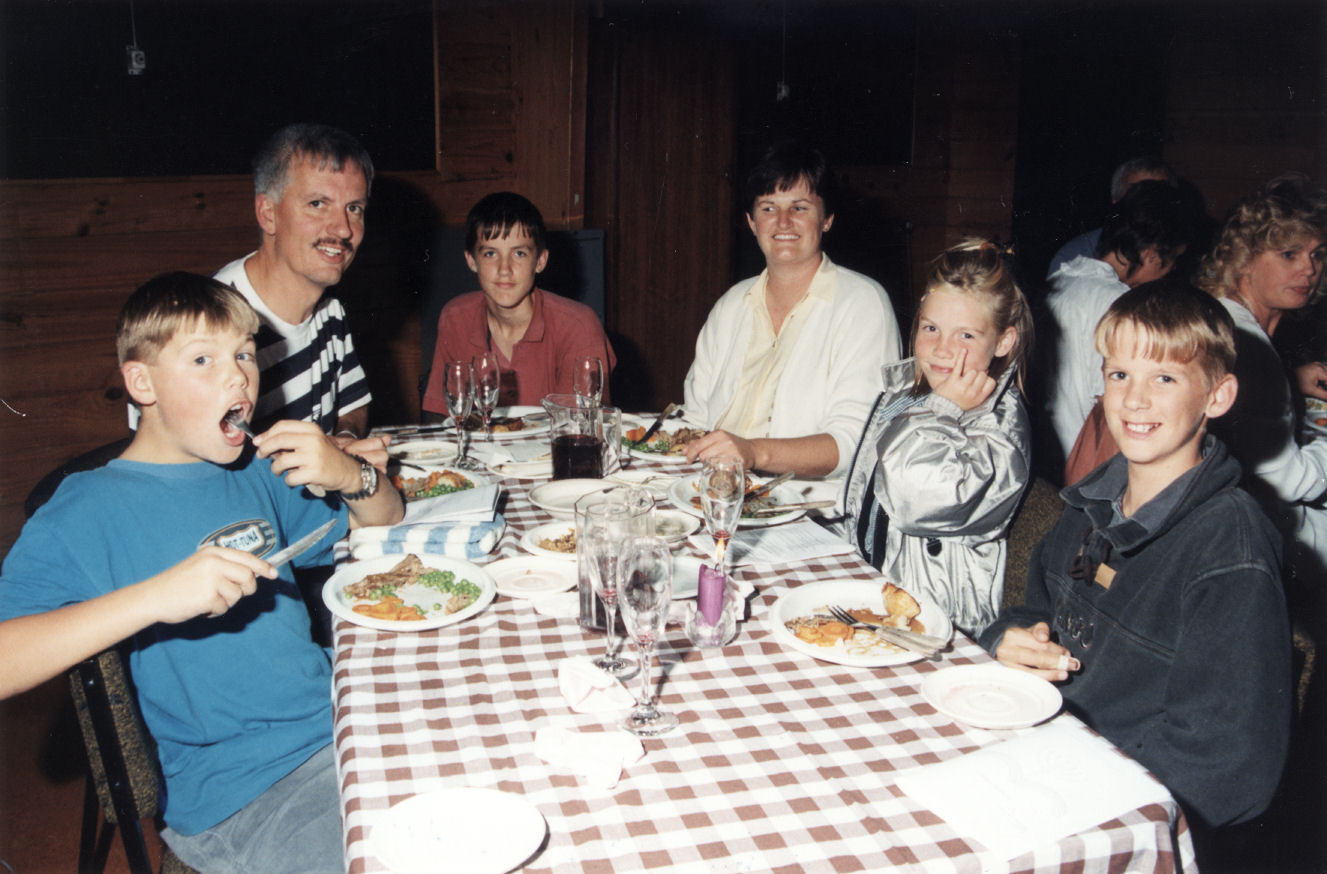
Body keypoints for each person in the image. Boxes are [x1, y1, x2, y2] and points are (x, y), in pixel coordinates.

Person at [0, 273, 405, 873]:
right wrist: (154, 598)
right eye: (202, 359)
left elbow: (385, 522)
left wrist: (352, 476)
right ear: (142, 383)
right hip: (245, 792)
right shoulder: (87, 509)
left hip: (344, 726)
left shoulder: (255, 470)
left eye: (244, 354)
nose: (238, 377)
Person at [979, 283, 1289, 829]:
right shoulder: (1094, 501)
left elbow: (1226, 768)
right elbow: (1036, 610)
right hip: (1042, 750)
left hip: (1114, 810)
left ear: (1217, 397)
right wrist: (1009, 638)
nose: (1133, 399)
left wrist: (1074, 791)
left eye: (1164, 378)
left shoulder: (1229, 550)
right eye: (1119, 374)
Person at [842, 239, 1033, 635]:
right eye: (931, 328)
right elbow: (869, 498)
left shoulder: (999, 427)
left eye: (966, 336)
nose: (942, 349)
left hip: (939, 621)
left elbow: (915, 500)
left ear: (1003, 342)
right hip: (879, 591)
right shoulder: (907, 395)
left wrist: (941, 410)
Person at [682, 143, 901, 478]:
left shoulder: (863, 304)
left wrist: (753, 452)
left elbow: (857, 443)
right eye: (768, 208)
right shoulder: (731, 305)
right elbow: (695, 418)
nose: (783, 221)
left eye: (799, 207)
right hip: (713, 490)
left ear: (826, 219)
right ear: (752, 222)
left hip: (807, 502)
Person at [214, 122, 382, 454]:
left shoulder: (330, 312)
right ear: (268, 213)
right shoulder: (208, 322)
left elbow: (353, 402)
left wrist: (344, 441)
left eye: (354, 208)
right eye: (318, 204)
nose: (343, 229)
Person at [1196, 171, 1327, 586]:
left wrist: (1290, 378)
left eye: (1318, 254)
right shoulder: (1249, 345)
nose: (1309, 269)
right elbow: (1290, 481)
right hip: (1259, 544)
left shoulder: (1220, 316)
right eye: (1289, 254)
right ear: (1243, 257)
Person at [1041, 180, 1194, 472]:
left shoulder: (1060, 279)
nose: (1173, 269)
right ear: (1152, 255)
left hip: (1045, 458)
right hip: (1084, 465)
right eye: (1173, 260)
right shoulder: (1121, 305)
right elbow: (1110, 407)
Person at [421, 192, 615, 417]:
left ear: (540, 261)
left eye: (519, 253)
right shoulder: (455, 318)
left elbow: (580, 426)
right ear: (471, 260)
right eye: (490, 253)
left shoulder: (579, 326)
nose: (504, 269)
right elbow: (442, 416)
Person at [1046, 156, 1178, 277]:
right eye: (1138, 194)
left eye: (1158, 195)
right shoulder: (1076, 256)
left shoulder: (1181, 254)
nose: (1148, 205)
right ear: (1116, 202)